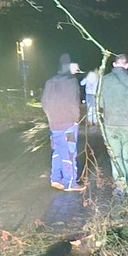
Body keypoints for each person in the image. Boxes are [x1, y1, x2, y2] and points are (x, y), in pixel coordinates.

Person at [98, 54, 128, 196]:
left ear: (113, 65)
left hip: (111, 124)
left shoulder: (104, 81)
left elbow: (100, 103)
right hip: (127, 124)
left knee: (115, 156)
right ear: (127, 66)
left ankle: (120, 186)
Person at [40, 53, 85, 191]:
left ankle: (55, 179)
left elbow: (44, 103)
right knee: (69, 152)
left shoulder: (49, 82)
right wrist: (75, 120)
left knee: (58, 150)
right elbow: (74, 102)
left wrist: (51, 118)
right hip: (69, 124)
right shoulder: (71, 82)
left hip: (55, 124)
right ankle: (70, 182)